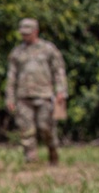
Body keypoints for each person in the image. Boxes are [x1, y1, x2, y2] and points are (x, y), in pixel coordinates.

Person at [5, 18, 67, 165]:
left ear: (36, 32)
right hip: (23, 96)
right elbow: (11, 76)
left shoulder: (48, 49)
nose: (24, 36)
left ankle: (53, 153)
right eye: (23, 34)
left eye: (28, 33)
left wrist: (61, 92)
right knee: (26, 130)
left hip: (44, 95)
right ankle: (31, 161)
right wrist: (10, 98)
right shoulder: (17, 53)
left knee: (45, 127)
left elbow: (59, 71)